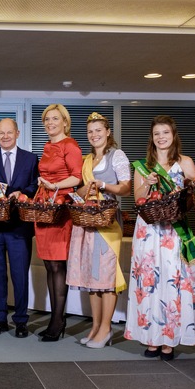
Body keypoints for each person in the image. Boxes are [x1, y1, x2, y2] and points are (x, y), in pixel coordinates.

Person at [124, 115, 195, 360]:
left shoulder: (186, 162)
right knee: (148, 281)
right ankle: (151, 338)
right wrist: (147, 184)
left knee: (173, 280)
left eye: (165, 133)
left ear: (173, 135)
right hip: (148, 229)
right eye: (157, 133)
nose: (161, 137)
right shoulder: (142, 166)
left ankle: (170, 339)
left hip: (174, 229)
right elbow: (137, 197)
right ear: (152, 137)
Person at [67, 112, 130, 349]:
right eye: (90, 131)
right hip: (87, 223)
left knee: (106, 277)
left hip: (108, 223)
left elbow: (125, 188)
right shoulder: (86, 160)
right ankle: (95, 327)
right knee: (91, 278)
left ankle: (106, 329)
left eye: (98, 130)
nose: (94, 135)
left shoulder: (117, 156)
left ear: (107, 132)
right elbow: (83, 191)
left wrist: (103, 185)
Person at [0, 118, 39, 338]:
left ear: (17, 133)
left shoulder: (31, 159)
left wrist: (20, 192)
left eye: (9, 132)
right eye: (1, 133)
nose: (5, 136)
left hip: (19, 227)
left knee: (20, 275)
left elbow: (34, 187)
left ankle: (21, 320)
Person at [35, 104, 83, 341]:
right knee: (49, 265)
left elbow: (77, 176)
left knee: (58, 266)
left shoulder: (70, 145)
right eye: (46, 120)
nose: (50, 123)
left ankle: (57, 320)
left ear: (65, 121)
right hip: (45, 208)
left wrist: (55, 186)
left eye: (55, 119)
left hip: (61, 208)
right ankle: (55, 317)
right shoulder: (47, 146)